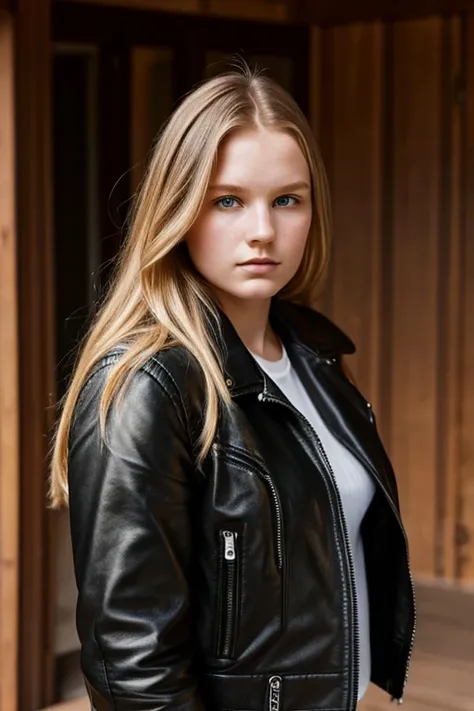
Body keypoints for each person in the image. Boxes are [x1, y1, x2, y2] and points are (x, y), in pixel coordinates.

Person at [50, 65, 415, 711]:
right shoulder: (148, 384)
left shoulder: (315, 354)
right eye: (227, 200)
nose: (262, 232)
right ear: (179, 207)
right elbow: (135, 665)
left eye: (287, 199)